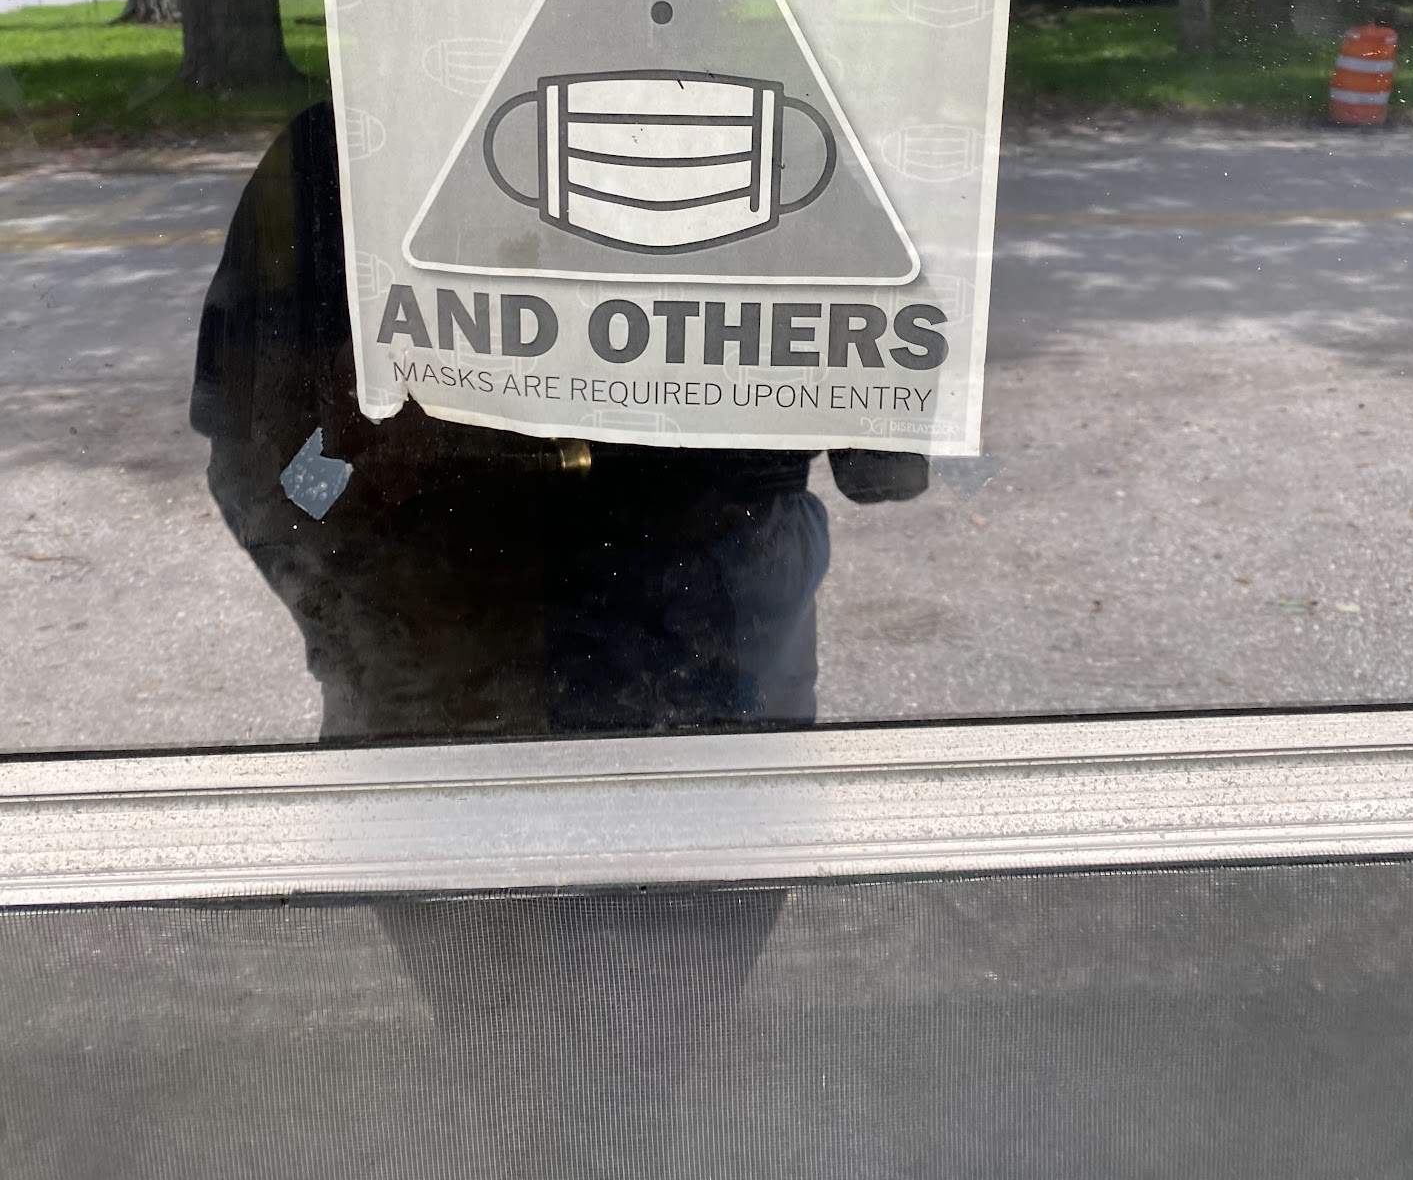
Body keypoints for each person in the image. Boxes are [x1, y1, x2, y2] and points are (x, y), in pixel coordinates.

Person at [192, 102, 927, 740]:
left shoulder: (787, 157)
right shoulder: (344, 152)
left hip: (712, 662)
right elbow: (270, 476)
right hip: (451, 671)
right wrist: (363, 586)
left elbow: (886, 462)